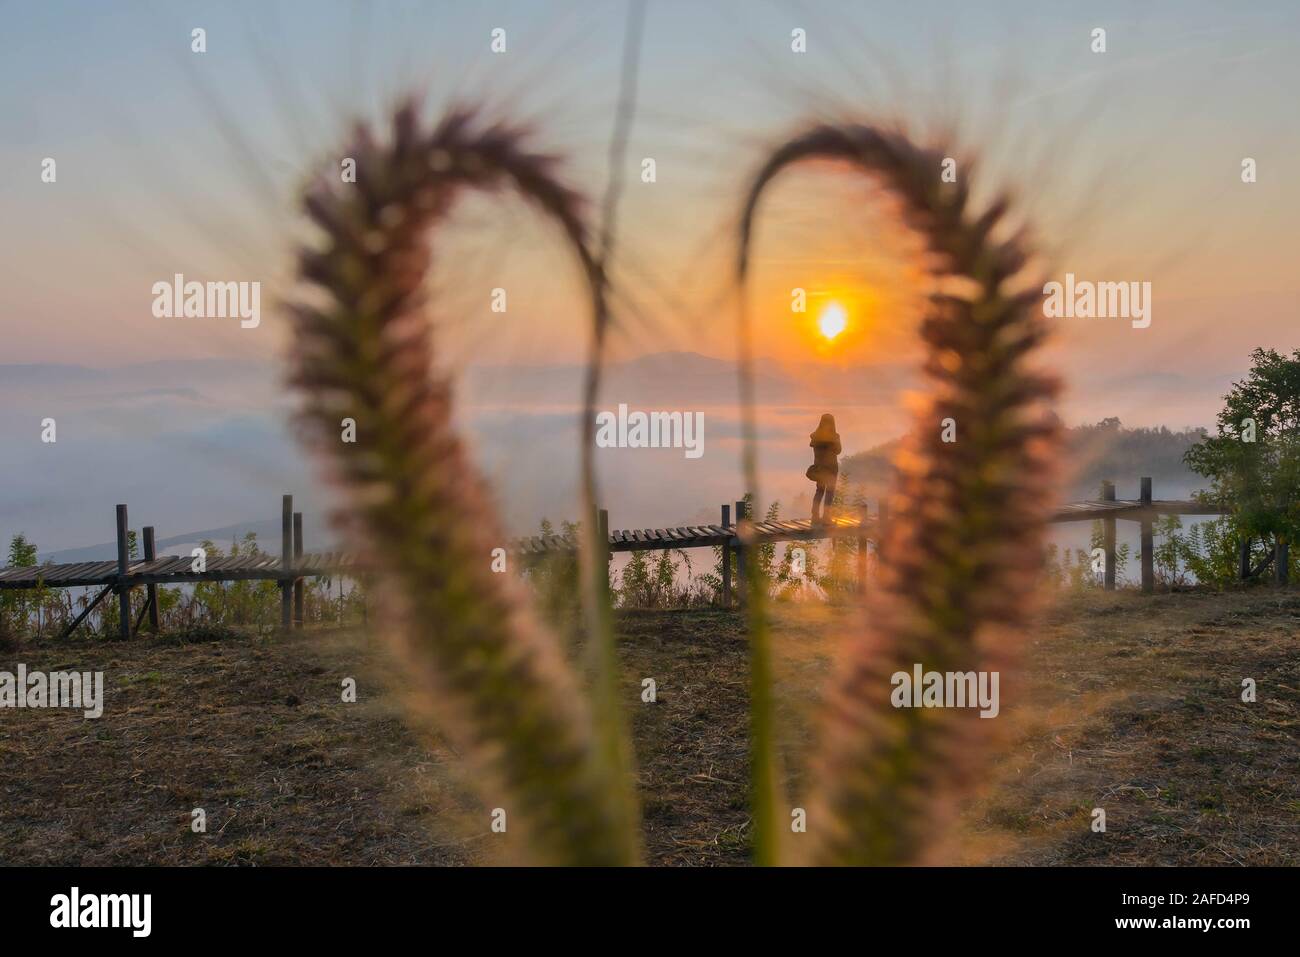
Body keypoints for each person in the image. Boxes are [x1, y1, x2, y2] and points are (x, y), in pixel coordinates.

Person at [806, 413, 841, 524]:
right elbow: (838, 451)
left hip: (819, 468)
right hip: (831, 469)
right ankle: (826, 517)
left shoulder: (816, 437)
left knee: (819, 491)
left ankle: (815, 516)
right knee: (829, 492)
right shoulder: (834, 437)